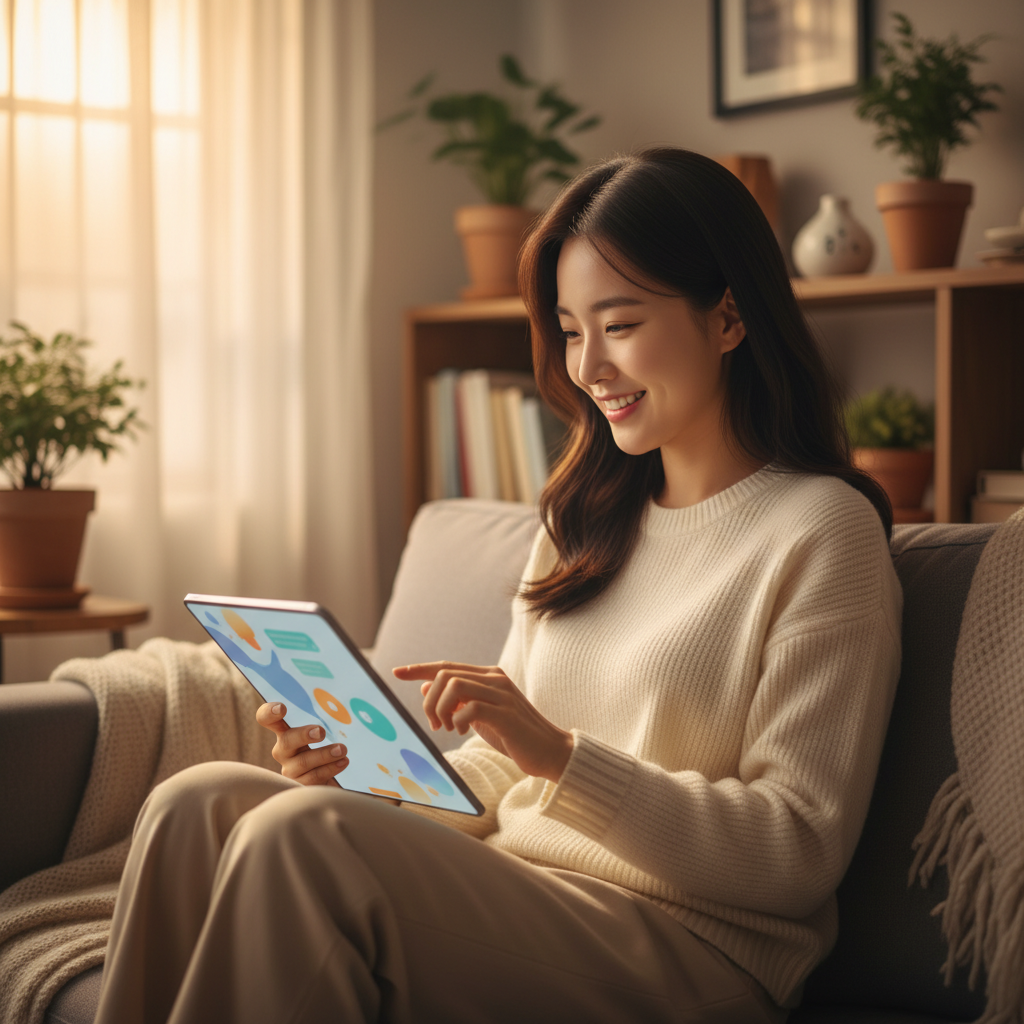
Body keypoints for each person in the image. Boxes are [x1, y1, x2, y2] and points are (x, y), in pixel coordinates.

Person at [94, 147, 902, 1024]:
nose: (588, 367)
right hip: (521, 891)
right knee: (194, 801)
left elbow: (796, 851)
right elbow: (493, 774)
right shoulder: (581, 518)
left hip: (694, 949)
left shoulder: (822, 531)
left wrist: (558, 755)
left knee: (299, 839)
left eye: (620, 324)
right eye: (569, 329)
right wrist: (366, 787)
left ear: (730, 318)